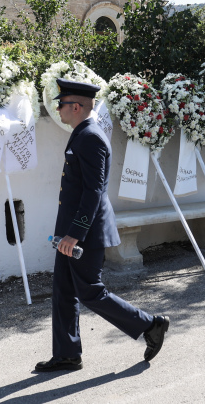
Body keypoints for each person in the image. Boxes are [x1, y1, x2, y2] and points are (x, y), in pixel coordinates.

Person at [35, 79, 169, 373]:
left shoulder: (90, 136)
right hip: (70, 232)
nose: (57, 109)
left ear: (76, 106)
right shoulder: (81, 133)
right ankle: (67, 354)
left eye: (61, 104)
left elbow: (93, 191)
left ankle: (151, 324)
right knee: (63, 290)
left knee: (91, 292)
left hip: (83, 233)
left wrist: (75, 234)